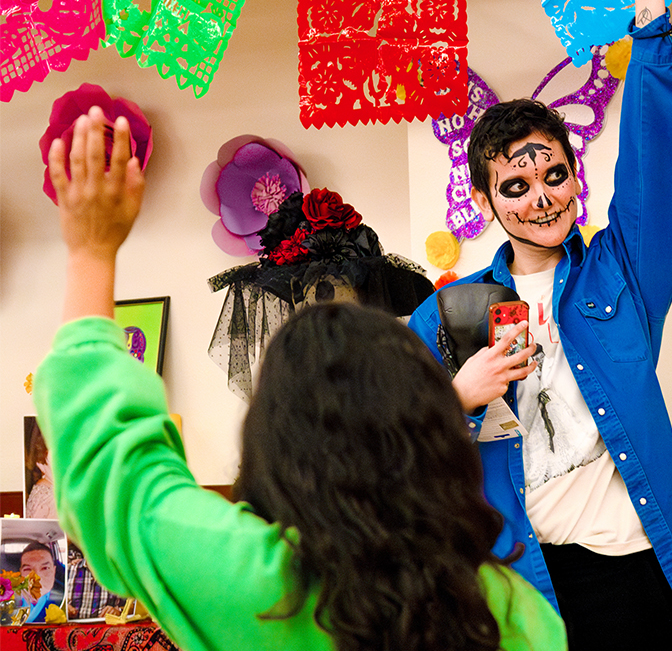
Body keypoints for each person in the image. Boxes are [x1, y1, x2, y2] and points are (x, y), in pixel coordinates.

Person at [33, 108, 566, 651]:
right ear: (432, 438)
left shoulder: (241, 581)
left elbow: (112, 476)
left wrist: (91, 252)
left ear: (273, 439)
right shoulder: (512, 614)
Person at [406, 0, 672, 650]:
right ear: (483, 200)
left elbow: (654, 158)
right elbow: (391, 438)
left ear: (576, 175)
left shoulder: (620, 271)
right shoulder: (448, 312)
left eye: (554, 175)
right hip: (518, 582)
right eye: (515, 186)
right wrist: (459, 396)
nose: (540, 197)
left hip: (630, 570)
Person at [17, 542, 64, 623]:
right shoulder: (8, 598)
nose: (37, 577)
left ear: (54, 571)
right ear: (21, 573)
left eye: (45, 568)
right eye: (28, 569)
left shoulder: (63, 600)